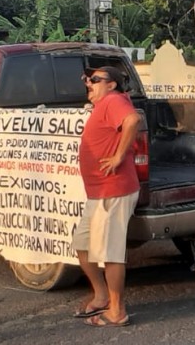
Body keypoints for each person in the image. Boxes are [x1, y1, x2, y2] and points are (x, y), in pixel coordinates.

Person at [72, 65, 140, 328]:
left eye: (96, 79)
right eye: (88, 79)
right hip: (99, 192)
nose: (89, 82)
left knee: (111, 254)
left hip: (113, 190)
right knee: (83, 245)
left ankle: (117, 310)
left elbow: (133, 120)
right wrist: (90, 81)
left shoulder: (113, 100)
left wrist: (119, 156)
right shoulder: (103, 103)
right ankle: (101, 295)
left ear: (112, 84)